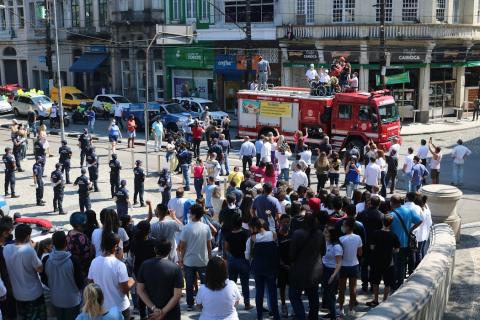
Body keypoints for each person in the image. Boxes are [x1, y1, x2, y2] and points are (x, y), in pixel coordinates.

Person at [3, 224, 47, 320]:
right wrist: (32, 248)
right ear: (28, 237)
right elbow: (40, 269)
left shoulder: (6, 248)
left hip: (18, 294)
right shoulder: (29, 251)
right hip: (33, 294)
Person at [88, 232, 134, 319]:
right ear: (116, 246)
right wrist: (131, 282)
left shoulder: (94, 262)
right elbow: (124, 290)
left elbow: (90, 283)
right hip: (120, 308)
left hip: (101, 308)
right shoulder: (120, 265)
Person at [288, 214, 326, 320]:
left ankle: (301, 316)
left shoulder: (297, 234)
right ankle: (313, 317)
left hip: (299, 270)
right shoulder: (320, 234)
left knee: (294, 296)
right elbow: (324, 251)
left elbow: (292, 255)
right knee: (313, 296)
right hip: (315, 271)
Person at [136, 239, 183, 320]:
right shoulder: (175, 268)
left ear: (155, 249)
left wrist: (154, 308)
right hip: (172, 312)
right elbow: (177, 295)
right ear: (170, 250)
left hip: (153, 313)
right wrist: (163, 311)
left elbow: (140, 290)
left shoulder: (145, 265)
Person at [178, 204, 213, 310]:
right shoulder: (206, 227)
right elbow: (209, 245)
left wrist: (181, 259)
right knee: (205, 284)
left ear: (193, 215)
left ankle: (190, 304)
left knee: (189, 284)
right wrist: (210, 258)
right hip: (203, 260)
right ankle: (205, 302)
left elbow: (182, 246)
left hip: (189, 261)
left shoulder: (186, 228)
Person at [42, 231, 84, 320]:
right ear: (66, 243)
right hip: (72, 300)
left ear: (53, 243)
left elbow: (44, 280)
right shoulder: (73, 260)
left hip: (55, 299)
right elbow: (80, 283)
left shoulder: (46, 260)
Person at [245, 217, 280, 320]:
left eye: (251, 228)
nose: (250, 230)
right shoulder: (273, 235)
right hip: (271, 268)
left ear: (255, 227)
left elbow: (247, 256)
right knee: (272, 294)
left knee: (259, 293)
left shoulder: (251, 239)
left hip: (258, 269)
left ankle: (259, 315)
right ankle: (276, 316)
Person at [389, 195, 422, 290]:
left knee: (395, 264)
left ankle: (395, 284)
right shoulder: (408, 211)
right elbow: (419, 220)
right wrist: (411, 229)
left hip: (396, 245)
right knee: (402, 264)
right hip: (407, 243)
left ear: (392, 203)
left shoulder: (392, 215)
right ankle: (400, 282)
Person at [367, 214, 400, 307]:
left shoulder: (375, 233)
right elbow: (397, 250)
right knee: (387, 282)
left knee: (375, 281)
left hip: (376, 261)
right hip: (389, 261)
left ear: (382, 222)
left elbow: (372, 247)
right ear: (391, 224)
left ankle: (375, 300)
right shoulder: (393, 235)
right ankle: (385, 300)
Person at [224, 215, 251, 310]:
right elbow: (249, 248)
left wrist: (230, 256)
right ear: (241, 223)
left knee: (231, 283)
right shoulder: (246, 233)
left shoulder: (229, 234)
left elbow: (226, 248)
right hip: (243, 260)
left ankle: (230, 303)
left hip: (232, 260)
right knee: (245, 283)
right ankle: (247, 303)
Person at [356, 196, 383, 292]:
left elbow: (358, 228)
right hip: (376, 244)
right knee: (373, 266)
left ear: (370, 203)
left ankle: (364, 284)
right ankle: (372, 284)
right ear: (379, 204)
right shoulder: (381, 215)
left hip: (364, 243)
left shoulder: (363, 213)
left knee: (364, 264)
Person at [338, 218, 363, 317]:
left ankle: (340, 309)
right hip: (354, 265)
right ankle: (351, 309)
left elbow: (340, 254)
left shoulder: (341, 239)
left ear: (348, 227)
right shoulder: (358, 238)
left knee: (342, 289)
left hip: (343, 266)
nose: (342, 227)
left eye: (344, 225)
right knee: (353, 289)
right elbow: (360, 253)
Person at [322, 227, 343, 320]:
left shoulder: (336, 246)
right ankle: (332, 313)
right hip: (325, 270)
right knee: (328, 295)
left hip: (332, 272)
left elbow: (339, 263)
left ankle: (333, 316)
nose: (324, 234)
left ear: (331, 235)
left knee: (329, 296)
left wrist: (333, 276)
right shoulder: (326, 243)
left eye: (326, 233)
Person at [66, 212, 93, 277]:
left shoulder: (70, 233)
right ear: (79, 225)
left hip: (73, 267)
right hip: (82, 269)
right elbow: (87, 256)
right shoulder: (81, 237)